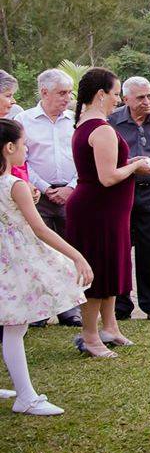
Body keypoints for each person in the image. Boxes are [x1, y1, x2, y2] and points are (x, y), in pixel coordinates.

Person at [0, 119, 93, 415]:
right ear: (10, 147)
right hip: (14, 260)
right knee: (15, 328)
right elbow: (40, 228)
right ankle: (25, 396)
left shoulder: (15, 185)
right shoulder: (14, 185)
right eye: (25, 144)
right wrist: (76, 255)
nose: (27, 149)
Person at [68, 68, 150, 357]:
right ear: (101, 94)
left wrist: (128, 162)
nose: (118, 100)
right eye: (116, 94)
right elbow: (106, 177)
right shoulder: (100, 129)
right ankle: (90, 336)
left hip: (109, 210)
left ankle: (111, 327)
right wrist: (135, 165)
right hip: (97, 210)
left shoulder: (87, 125)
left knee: (112, 266)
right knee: (98, 270)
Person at [13, 68, 83, 327]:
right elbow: (22, 159)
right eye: (62, 93)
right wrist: (43, 187)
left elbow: (81, 156)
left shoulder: (74, 120)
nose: (68, 98)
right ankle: (40, 310)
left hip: (71, 193)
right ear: (44, 92)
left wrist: (71, 187)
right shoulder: (24, 119)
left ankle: (70, 308)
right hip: (35, 195)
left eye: (69, 92)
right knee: (38, 251)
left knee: (69, 248)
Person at [107, 77, 150, 322]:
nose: (147, 102)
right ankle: (121, 303)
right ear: (125, 99)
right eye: (140, 98)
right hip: (120, 192)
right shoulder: (111, 122)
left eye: (149, 96)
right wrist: (131, 168)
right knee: (120, 249)